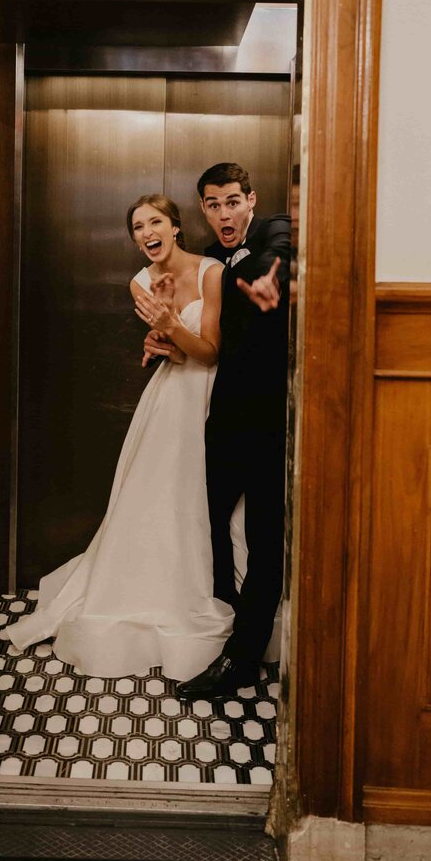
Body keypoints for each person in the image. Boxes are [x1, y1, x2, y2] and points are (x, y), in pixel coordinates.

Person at [5, 193, 235, 681]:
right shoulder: (140, 283)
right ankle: (146, 586)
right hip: (170, 400)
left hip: (213, 397)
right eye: (136, 226)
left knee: (206, 497)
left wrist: (171, 326)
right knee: (160, 496)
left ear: (175, 227)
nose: (146, 233)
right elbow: (177, 356)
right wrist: (162, 340)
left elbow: (211, 353)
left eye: (155, 222)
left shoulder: (213, 272)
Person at [144, 163, 291, 699]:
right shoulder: (209, 257)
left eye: (233, 201)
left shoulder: (277, 231)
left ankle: (243, 656)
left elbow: (272, 275)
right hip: (221, 411)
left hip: (270, 417)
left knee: (262, 536)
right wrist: (166, 338)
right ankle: (220, 622)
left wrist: (260, 281)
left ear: (250, 200)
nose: (223, 213)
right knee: (207, 526)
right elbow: (210, 337)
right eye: (212, 204)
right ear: (201, 209)